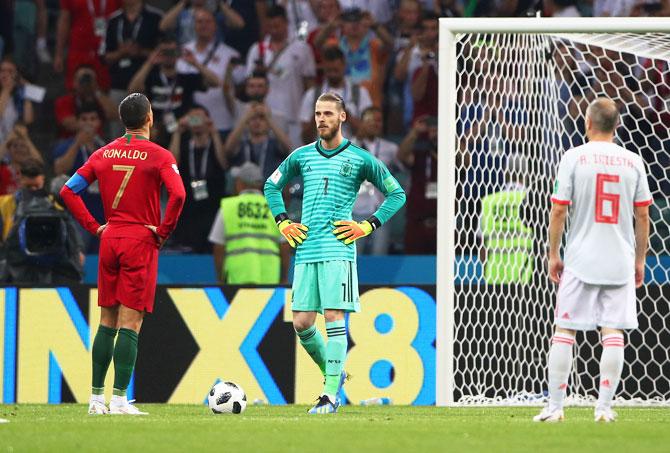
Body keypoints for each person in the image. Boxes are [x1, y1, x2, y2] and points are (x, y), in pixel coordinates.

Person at [264, 92, 406, 414]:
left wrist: (367, 226)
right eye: (317, 113)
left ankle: (329, 396)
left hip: (338, 250)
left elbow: (396, 194)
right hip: (305, 248)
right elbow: (271, 186)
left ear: (343, 117)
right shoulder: (301, 156)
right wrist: (283, 222)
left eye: (328, 113)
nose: (321, 119)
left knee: (333, 317)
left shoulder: (359, 158)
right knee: (301, 322)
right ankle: (335, 373)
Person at [60, 93, 186, 415]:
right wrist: (163, 231)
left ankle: (94, 400)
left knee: (106, 320)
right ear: (150, 118)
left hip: (110, 238)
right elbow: (179, 193)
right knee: (131, 323)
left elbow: (67, 190)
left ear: (122, 120)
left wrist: (95, 227)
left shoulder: (103, 154)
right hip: (139, 238)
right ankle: (118, 400)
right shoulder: (159, 155)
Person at [534, 98, 652, 423]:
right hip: (619, 260)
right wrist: (639, 260)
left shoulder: (574, 157)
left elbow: (559, 209)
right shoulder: (634, 162)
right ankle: (603, 408)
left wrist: (553, 254)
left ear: (587, 123)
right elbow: (643, 215)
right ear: (617, 125)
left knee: (565, 330)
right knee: (613, 332)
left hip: (581, 258)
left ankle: (555, 408)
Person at [0, 158, 85, 284]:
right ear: (20, 179)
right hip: (16, 268)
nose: (33, 191)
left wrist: (77, 253)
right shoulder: (3, 204)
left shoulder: (57, 206)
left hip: (54, 269)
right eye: (28, 187)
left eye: (36, 187)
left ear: (43, 179)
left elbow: (77, 251)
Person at [245, 5, 316, 148]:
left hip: (293, 115)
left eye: (277, 25)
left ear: (286, 23)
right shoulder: (257, 50)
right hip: (265, 117)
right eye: (270, 25)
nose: (274, 29)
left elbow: (310, 86)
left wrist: (308, 115)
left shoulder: (301, 49)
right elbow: (249, 84)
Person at [128, 35, 219, 145]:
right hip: (156, 131)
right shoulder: (151, 78)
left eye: (172, 52)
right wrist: (150, 62)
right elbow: (132, 89)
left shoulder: (186, 78)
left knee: (200, 118)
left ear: (178, 54)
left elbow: (216, 83)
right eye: (164, 52)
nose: (168, 56)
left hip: (183, 131)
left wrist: (195, 63)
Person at [208, 161, 289, 284]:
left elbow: (218, 247)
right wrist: (283, 279)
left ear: (240, 183)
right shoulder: (275, 208)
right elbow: (284, 247)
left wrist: (220, 279)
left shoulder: (228, 207)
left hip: (238, 280)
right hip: (269, 280)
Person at [168, 105, 227, 252]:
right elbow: (171, 164)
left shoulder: (216, 142)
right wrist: (177, 132)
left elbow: (224, 163)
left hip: (213, 203)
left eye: (199, 117)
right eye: (192, 118)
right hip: (189, 205)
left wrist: (213, 132)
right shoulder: (183, 144)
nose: (196, 122)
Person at [176, 8, 241, 138]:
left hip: (221, 122)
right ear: (194, 25)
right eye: (199, 21)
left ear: (215, 26)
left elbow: (239, 87)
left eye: (208, 21)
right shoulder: (182, 51)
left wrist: (196, 64)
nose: (203, 25)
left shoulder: (230, 54)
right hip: (190, 123)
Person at [104, 0, 163, 136]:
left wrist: (140, 52)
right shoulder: (113, 20)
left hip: (147, 86)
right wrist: (121, 53)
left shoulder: (155, 18)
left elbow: (163, 52)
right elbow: (105, 56)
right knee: (118, 136)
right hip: (119, 84)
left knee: (148, 133)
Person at [52, 104, 107, 251]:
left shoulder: (107, 147)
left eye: (93, 119)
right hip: (78, 215)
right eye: (84, 119)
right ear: (77, 122)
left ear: (99, 122)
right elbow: (59, 169)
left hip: (104, 213)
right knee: (78, 255)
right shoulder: (66, 146)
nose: (88, 123)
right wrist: (77, 144)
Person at [299, 45, 372, 143]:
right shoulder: (312, 95)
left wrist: (347, 116)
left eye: (336, 70)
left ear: (344, 65)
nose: (333, 74)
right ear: (323, 67)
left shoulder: (360, 93)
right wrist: (317, 117)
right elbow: (305, 139)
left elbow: (369, 132)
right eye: (329, 71)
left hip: (352, 153)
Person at [478, 154, 533, 284]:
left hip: (494, 275)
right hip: (525, 275)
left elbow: (482, 245)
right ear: (527, 173)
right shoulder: (532, 201)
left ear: (505, 172)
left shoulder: (489, 201)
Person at [352, 106, 400, 255]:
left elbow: (406, 164)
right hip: (355, 211)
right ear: (361, 123)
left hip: (381, 210)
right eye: (369, 120)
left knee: (380, 255)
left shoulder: (390, 148)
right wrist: (358, 139)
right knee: (354, 257)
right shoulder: (348, 147)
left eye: (378, 120)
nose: (374, 124)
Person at [225, 101, 292, 180]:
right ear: (247, 122)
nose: (257, 122)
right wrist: (246, 117)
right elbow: (228, 149)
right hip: (245, 189)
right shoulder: (241, 144)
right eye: (253, 118)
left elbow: (288, 147)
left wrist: (268, 118)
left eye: (261, 118)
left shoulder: (275, 143)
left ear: (268, 123)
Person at [54, 65, 117, 139]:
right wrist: (93, 124)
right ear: (74, 82)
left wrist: (96, 91)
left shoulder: (100, 99)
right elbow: (69, 124)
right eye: (82, 79)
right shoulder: (64, 101)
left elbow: (114, 115)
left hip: (96, 141)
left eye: (89, 79)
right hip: (71, 141)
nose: (86, 82)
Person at [0, 59, 34, 144]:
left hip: (13, 143)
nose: (6, 74)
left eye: (10, 71)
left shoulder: (19, 94)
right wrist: (6, 89)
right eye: (2, 71)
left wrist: (27, 92)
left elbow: (28, 120)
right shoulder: (6, 91)